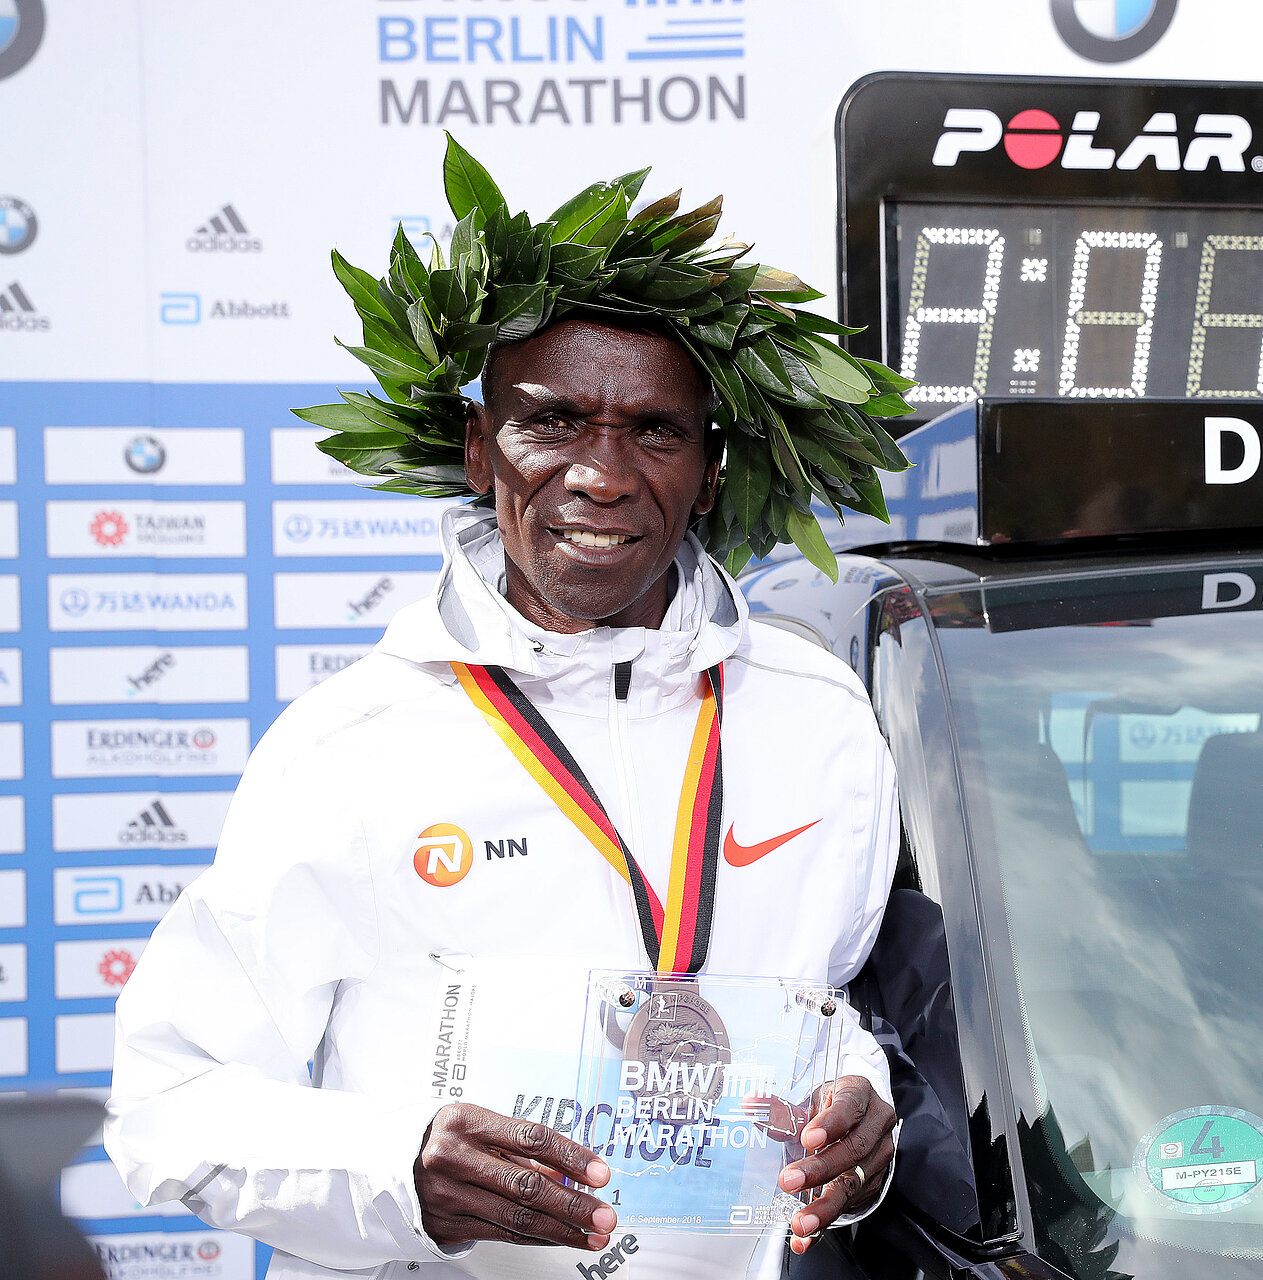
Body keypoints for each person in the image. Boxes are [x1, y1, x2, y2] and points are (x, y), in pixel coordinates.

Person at [106, 139, 918, 1280]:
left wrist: (857, 1126)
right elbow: (168, 1106)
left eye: (655, 429)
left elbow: (825, 1010)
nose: (601, 473)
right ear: (482, 447)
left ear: (712, 465)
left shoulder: (820, 721)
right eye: (553, 422)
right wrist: (402, 1166)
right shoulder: (352, 744)